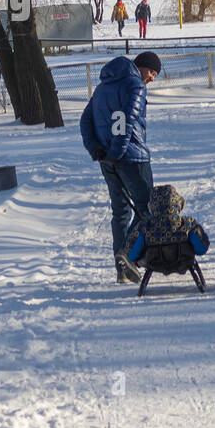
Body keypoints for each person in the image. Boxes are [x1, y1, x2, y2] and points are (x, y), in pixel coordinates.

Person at [80, 51, 161, 282]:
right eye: (152, 72)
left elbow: (85, 121)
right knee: (148, 209)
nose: (152, 78)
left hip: (107, 161)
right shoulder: (135, 85)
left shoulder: (102, 87)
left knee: (121, 211)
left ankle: (121, 269)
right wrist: (117, 151)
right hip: (132, 158)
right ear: (142, 67)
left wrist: (96, 149)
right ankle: (127, 256)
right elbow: (126, 120)